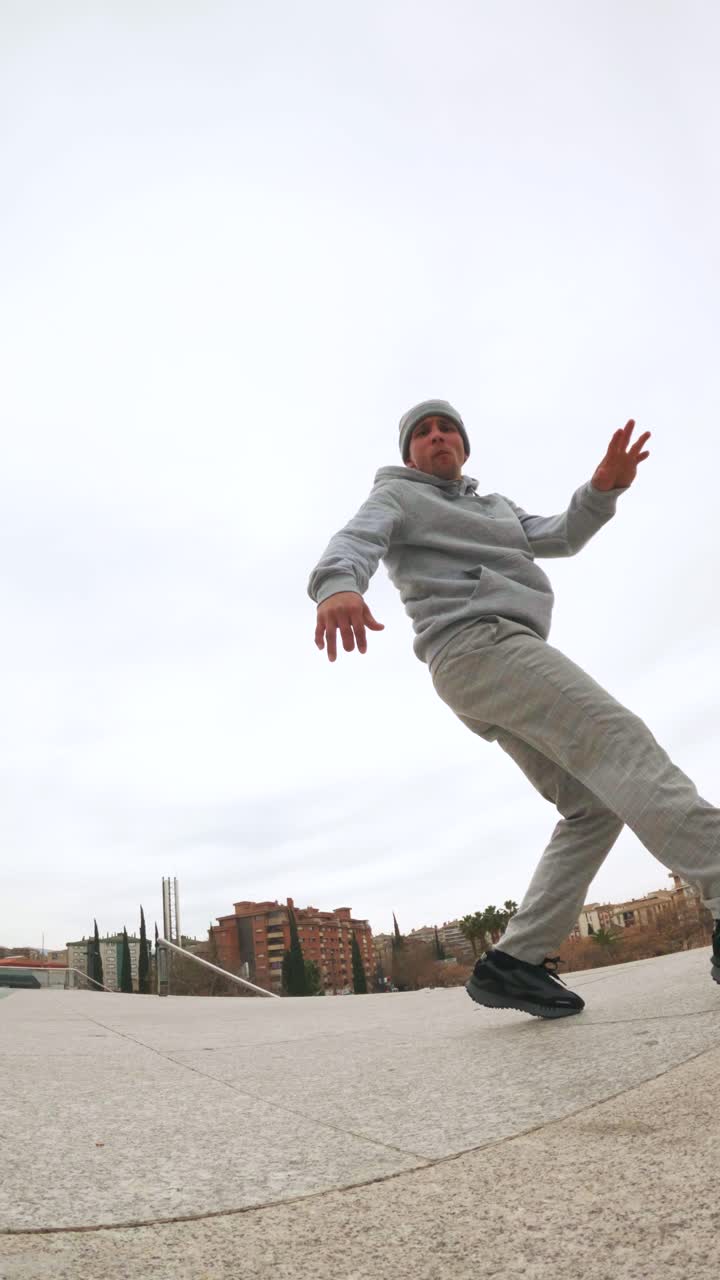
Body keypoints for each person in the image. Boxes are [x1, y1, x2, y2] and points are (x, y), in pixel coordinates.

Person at [307, 399, 720, 1018]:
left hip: (485, 663)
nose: (436, 436)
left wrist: (602, 488)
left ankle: (516, 962)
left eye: (447, 428)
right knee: (621, 743)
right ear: (409, 455)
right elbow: (356, 538)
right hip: (481, 642)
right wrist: (338, 583)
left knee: (592, 805)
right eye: (422, 433)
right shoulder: (397, 496)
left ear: (464, 447)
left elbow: (559, 535)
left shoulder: (494, 507)